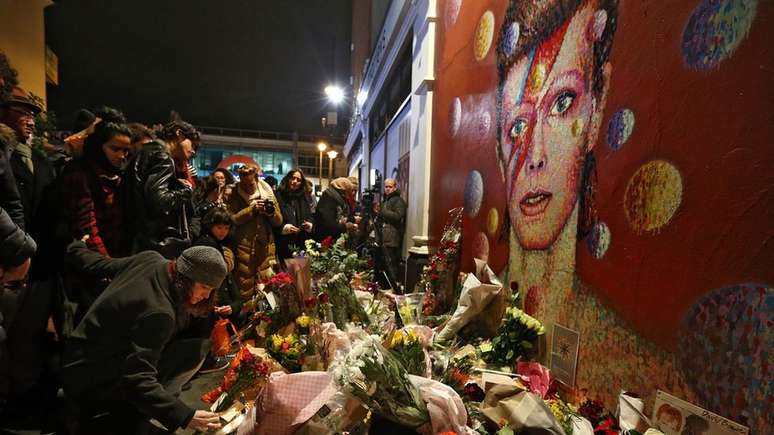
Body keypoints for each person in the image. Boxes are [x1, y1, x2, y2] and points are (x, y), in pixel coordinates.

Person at [62, 241, 226, 434]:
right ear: (186, 278)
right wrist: (184, 415)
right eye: (204, 286)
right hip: (92, 379)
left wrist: (76, 247)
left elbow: (99, 264)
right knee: (187, 355)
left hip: (75, 355)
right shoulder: (159, 313)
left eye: (211, 290)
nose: (206, 296)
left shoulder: (150, 259)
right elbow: (137, 378)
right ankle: (122, 418)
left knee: (192, 350)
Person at [60, 115, 134, 322]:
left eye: (126, 151)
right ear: (98, 146)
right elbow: (86, 225)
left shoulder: (117, 175)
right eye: (115, 148)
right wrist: (108, 267)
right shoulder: (80, 174)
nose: (121, 155)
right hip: (91, 267)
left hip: (114, 262)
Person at [126, 120, 198, 257]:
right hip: (150, 245)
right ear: (179, 134)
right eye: (192, 144)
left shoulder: (147, 151)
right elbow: (160, 200)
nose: (193, 150)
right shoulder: (162, 156)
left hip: (136, 238)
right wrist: (187, 190)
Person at [226, 164, 282, 301]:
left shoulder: (267, 192)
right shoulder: (234, 193)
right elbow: (232, 219)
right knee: (244, 288)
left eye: (250, 183)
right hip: (243, 248)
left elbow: (279, 221)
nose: (247, 187)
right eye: (243, 184)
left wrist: (270, 212)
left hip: (265, 248)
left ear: (256, 179)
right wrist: (251, 210)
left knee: (266, 288)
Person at [275, 168, 314, 260]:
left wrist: (309, 224)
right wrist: (284, 228)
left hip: (300, 243)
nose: (295, 181)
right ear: (287, 179)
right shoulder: (278, 195)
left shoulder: (303, 197)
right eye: (293, 178)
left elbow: (310, 216)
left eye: (298, 180)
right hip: (283, 243)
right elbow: (272, 219)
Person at [375, 178, 407, 290]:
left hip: (392, 238)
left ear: (395, 187)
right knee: (384, 265)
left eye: (390, 187)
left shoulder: (398, 200)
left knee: (391, 265)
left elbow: (398, 216)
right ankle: (384, 287)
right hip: (384, 238)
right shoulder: (386, 201)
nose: (387, 189)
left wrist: (382, 211)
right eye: (386, 187)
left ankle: (392, 289)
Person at [314, 177, 356, 242]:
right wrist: (345, 227)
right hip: (324, 242)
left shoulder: (334, 199)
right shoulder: (328, 200)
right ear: (342, 190)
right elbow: (329, 225)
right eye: (348, 192)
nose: (348, 196)